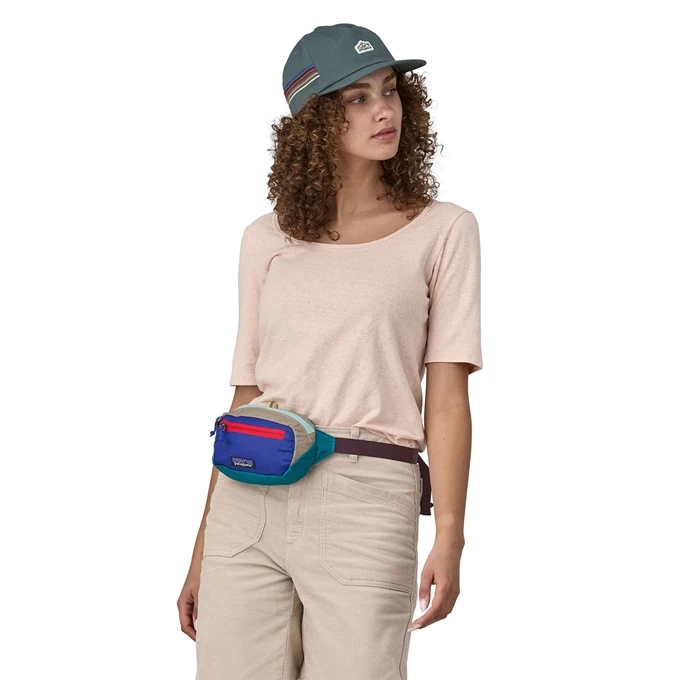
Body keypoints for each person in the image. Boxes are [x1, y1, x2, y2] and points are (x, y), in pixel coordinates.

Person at [178, 23, 483, 679]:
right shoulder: (267, 238)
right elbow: (246, 393)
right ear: (314, 121)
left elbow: (447, 401)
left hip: (366, 500)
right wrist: (202, 546)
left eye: (390, 90)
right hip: (247, 496)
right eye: (357, 98)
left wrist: (450, 536)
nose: (384, 110)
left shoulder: (444, 231)